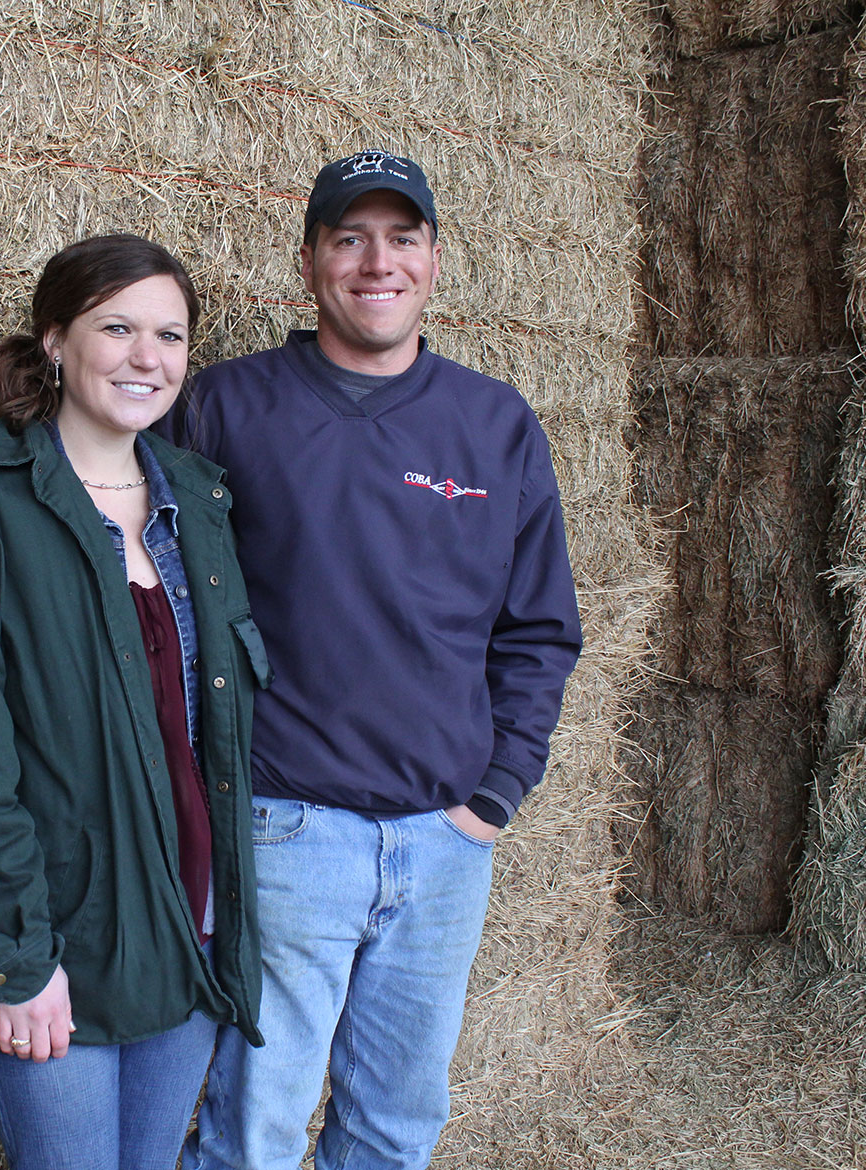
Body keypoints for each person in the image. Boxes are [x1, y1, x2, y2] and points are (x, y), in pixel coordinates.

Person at [163, 152, 583, 1169]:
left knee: (396, 1128)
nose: (376, 263)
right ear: (308, 262)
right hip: (286, 828)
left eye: (402, 239)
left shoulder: (496, 425)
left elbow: (539, 628)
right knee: (252, 1129)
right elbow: (150, 596)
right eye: (349, 238)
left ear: (436, 261)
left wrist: (493, 797)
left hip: (444, 847)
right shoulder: (223, 409)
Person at [0, 234, 268, 1170]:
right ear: (54, 340)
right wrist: (17, 959)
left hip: (192, 937)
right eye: (115, 327)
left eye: (169, 334)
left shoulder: (197, 508)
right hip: (58, 951)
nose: (145, 357)